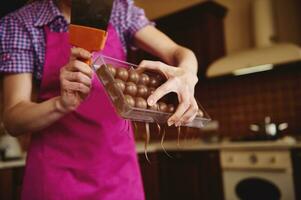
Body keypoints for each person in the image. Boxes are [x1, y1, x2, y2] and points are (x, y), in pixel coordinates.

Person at [0, 0, 201, 199]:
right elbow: (13, 119)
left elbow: (179, 53)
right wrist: (61, 104)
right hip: (56, 180)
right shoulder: (22, 23)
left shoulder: (119, 11)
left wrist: (187, 74)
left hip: (119, 177)